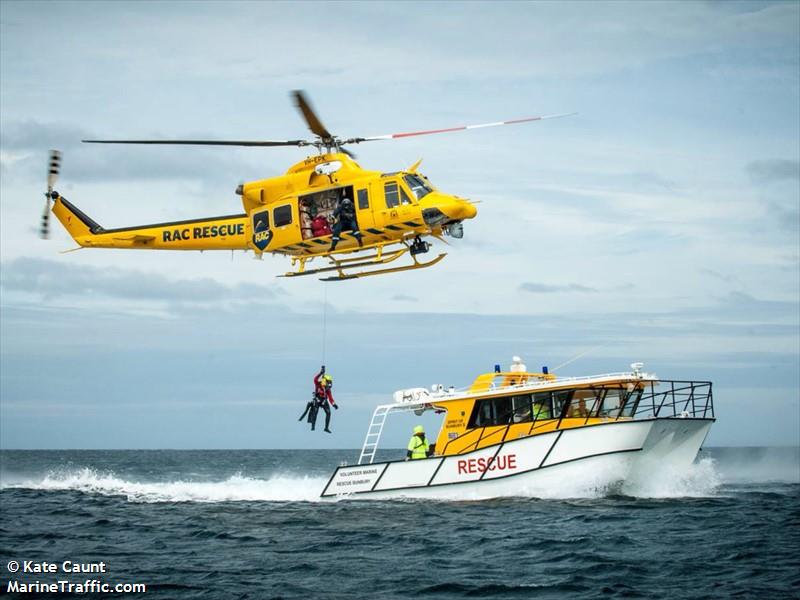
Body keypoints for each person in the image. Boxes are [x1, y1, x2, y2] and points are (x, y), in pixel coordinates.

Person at [298, 366, 338, 432]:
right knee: (315, 412)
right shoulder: (318, 384)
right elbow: (315, 379)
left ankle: (326, 428)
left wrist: (334, 404)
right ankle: (313, 425)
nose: (329, 384)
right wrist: (320, 373)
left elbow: (330, 398)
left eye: (330, 382)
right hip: (317, 399)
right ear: (324, 381)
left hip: (324, 401)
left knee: (328, 413)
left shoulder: (328, 390)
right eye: (328, 382)